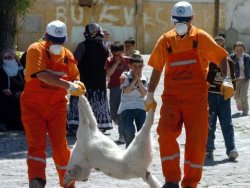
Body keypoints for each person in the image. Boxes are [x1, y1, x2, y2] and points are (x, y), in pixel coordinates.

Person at [144, 1, 232, 188]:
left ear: (191, 19)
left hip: (196, 101)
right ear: (172, 21)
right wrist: (150, 93)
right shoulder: (165, 40)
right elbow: (157, 68)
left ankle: (190, 183)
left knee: (196, 142)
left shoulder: (200, 37)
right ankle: (171, 179)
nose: (180, 24)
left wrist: (227, 80)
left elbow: (222, 57)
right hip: (172, 100)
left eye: (183, 21)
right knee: (165, 134)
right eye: (177, 21)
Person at [20, 20, 85, 188]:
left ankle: (68, 183)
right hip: (33, 107)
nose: (55, 44)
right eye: (52, 41)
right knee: (36, 145)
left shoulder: (68, 56)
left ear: (64, 40)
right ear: (46, 38)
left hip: (57, 108)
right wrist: (68, 86)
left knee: (60, 147)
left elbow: (74, 77)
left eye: (59, 41)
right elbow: (41, 74)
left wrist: (78, 85)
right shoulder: (36, 49)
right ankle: (37, 180)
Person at [74, 23, 113, 132]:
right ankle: (100, 125)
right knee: (98, 101)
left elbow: (74, 62)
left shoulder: (82, 46)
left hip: (83, 82)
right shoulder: (105, 48)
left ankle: (80, 125)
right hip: (99, 82)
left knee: (83, 103)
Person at [206, 36, 238, 161]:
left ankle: (231, 149)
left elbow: (233, 79)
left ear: (225, 47)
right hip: (211, 95)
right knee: (210, 123)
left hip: (224, 96)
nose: (219, 48)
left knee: (227, 123)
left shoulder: (229, 62)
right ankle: (208, 149)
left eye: (222, 45)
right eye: (216, 45)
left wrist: (232, 91)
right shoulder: (208, 62)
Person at [117, 54, 148, 147]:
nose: (137, 69)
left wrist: (139, 80)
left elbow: (144, 93)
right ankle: (129, 151)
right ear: (130, 66)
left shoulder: (145, 78)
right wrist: (134, 79)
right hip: (127, 108)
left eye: (140, 66)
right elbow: (126, 91)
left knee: (141, 133)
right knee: (129, 132)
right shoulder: (124, 76)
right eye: (135, 66)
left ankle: (140, 152)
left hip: (141, 108)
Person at [105, 41, 130, 144]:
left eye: (119, 54)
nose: (117, 56)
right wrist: (115, 63)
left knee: (121, 113)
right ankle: (124, 128)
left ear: (123, 52)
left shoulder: (128, 60)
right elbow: (109, 74)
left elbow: (133, 72)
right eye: (115, 54)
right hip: (114, 88)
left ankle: (122, 136)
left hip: (124, 89)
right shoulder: (109, 61)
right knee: (113, 114)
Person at [0, 49, 25, 131]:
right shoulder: (1, 70)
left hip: (19, 93)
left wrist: (22, 91)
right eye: (6, 58)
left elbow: (27, 83)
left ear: (14, 58)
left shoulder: (21, 70)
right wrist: (3, 89)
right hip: (5, 94)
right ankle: (3, 123)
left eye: (10, 57)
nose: (8, 59)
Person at [229, 41, 250, 116]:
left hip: (245, 79)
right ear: (234, 50)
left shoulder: (247, 58)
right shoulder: (232, 57)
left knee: (243, 95)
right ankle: (239, 104)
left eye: (240, 49)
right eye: (237, 50)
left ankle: (245, 110)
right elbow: (228, 67)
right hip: (236, 79)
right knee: (236, 96)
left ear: (244, 50)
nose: (239, 51)